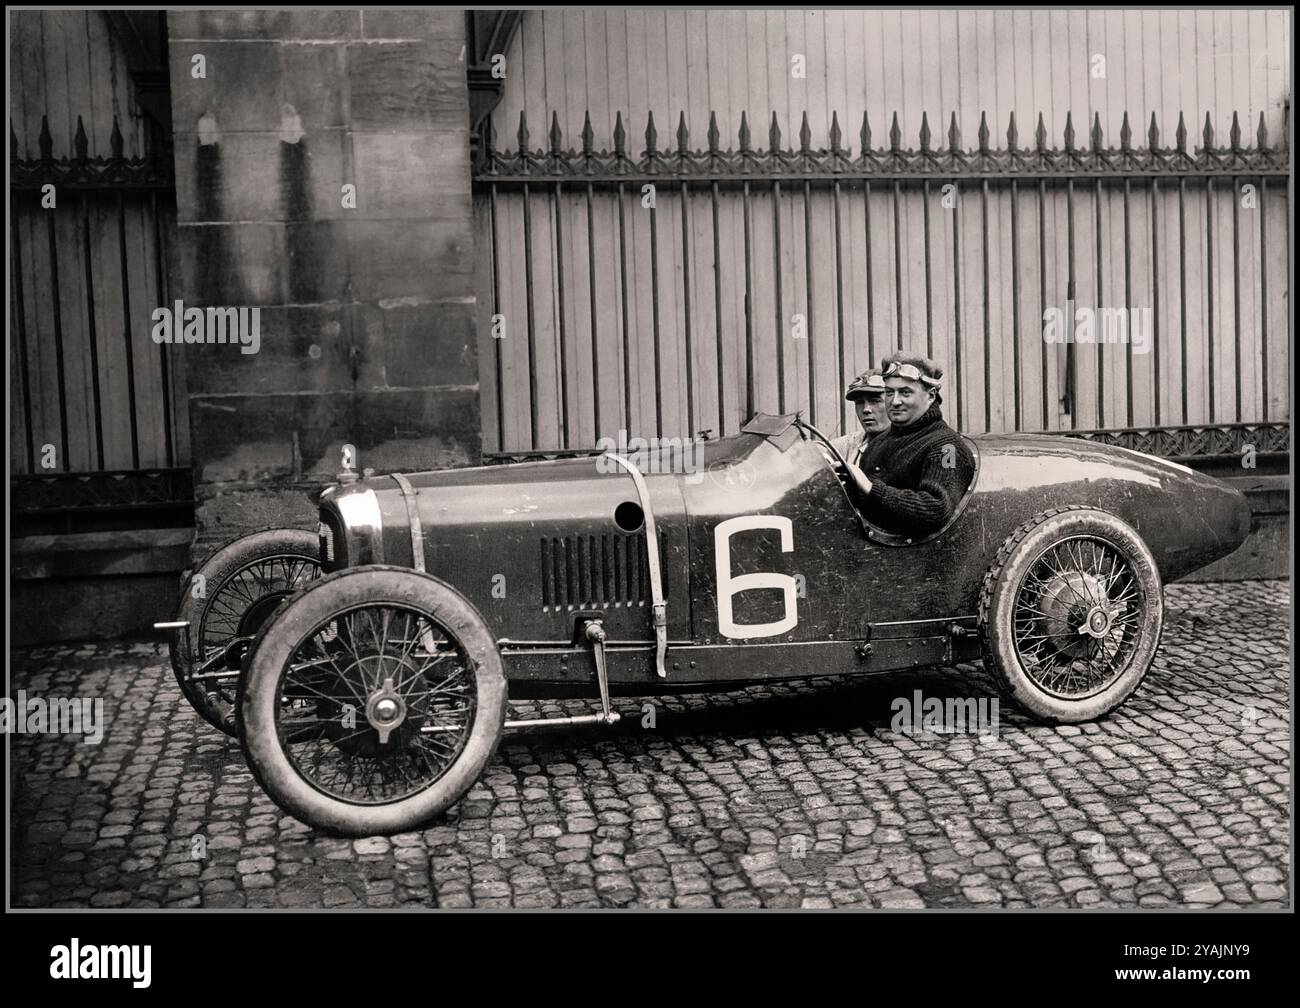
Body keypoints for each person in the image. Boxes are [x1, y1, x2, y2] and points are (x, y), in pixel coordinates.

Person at [842, 351, 975, 537]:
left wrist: (871, 488)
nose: (895, 401)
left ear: (930, 396)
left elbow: (936, 508)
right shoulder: (880, 441)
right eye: (889, 392)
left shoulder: (948, 448)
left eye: (905, 392)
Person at [832, 368, 890, 465]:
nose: (866, 409)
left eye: (875, 401)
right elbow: (818, 451)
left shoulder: (908, 445)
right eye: (859, 402)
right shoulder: (853, 442)